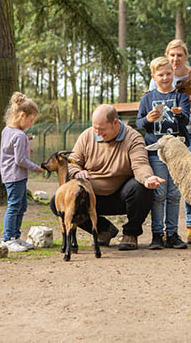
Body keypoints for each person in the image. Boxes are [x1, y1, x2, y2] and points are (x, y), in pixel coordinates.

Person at [57, 104, 165, 251]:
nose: (97, 132)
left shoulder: (133, 138)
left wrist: (147, 178)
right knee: (56, 203)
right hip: (91, 197)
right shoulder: (87, 135)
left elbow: (140, 164)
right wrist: (77, 172)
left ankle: (130, 233)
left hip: (120, 197)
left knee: (141, 188)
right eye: (95, 128)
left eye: (101, 129)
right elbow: (73, 160)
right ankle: (104, 229)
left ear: (115, 122)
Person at [148, 39, 191, 244]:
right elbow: (152, 103)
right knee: (170, 183)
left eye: (179, 55)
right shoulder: (160, 74)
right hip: (169, 137)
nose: (175, 59)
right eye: (172, 55)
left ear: (186, 56)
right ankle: (165, 230)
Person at [137, 56, 191, 250]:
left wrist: (178, 114)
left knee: (175, 194)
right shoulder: (147, 98)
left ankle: (173, 233)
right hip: (155, 152)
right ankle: (157, 234)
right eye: (161, 75)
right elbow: (139, 123)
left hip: (177, 154)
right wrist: (148, 120)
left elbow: (186, 120)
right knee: (159, 193)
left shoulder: (180, 96)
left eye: (169, 74)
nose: (165, 78)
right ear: (154, 76)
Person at [0, 92, 44, 252]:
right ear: (22, 115)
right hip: (15, 175)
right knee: (14, 206)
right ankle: (8, 239)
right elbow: (19, 160)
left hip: (11, 175)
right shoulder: (18, 135)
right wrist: (35, 167)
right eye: (31, 120)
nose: (31, 124)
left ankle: (16, 236)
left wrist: (26, 149)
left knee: (21, 205)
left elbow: (10, 152)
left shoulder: (7, 130)